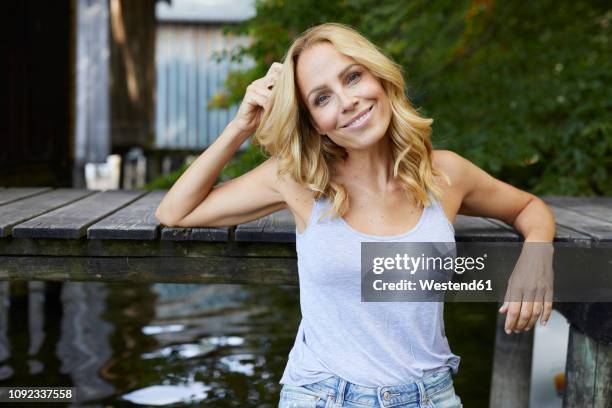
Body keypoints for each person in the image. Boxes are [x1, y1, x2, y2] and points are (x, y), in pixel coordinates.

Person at [155, 22, 556, 408]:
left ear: (379, 78)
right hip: (322, 395)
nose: (347, 103)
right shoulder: (298, 181)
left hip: (430, 396)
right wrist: (240, 127)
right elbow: (175, 211)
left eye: (352, 77)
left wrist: (536, 256)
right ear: (314, 122)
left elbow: (528, 207)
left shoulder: (443, 174)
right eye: (322, 98)